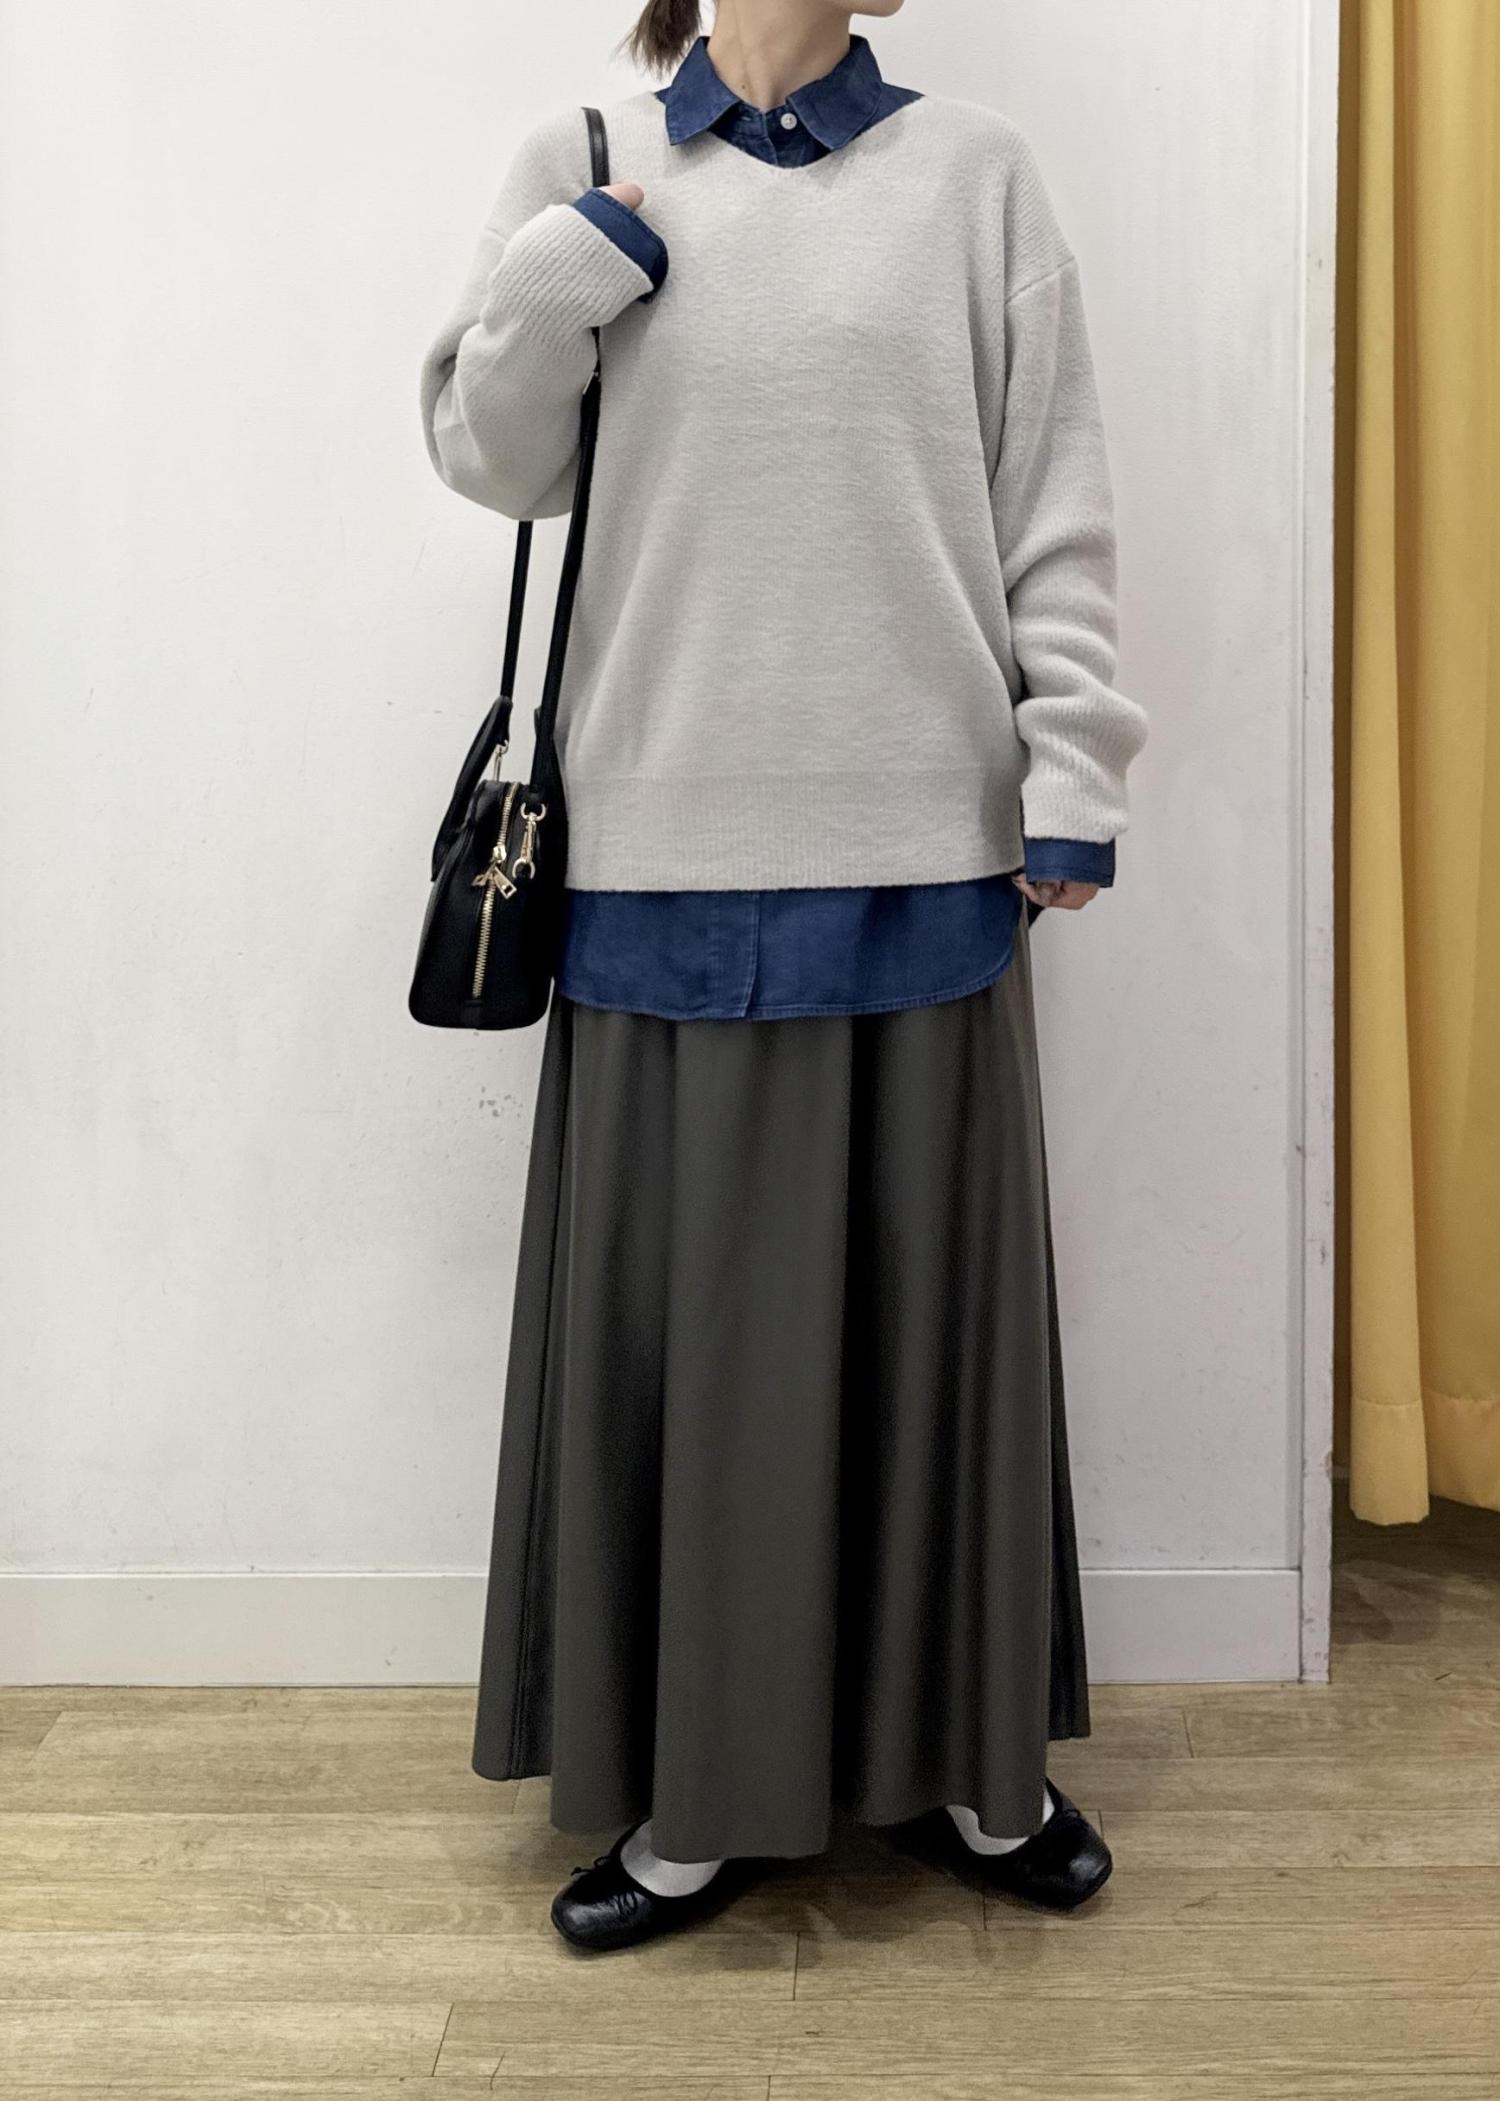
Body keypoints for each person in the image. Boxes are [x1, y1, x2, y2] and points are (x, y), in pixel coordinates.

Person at [418, 0, 1148, 1953]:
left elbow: (1056, 503)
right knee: (706, 1366)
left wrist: (1076, 766)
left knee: (935, 1353)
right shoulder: (584, 157)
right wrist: (570, 272)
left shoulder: (978, 177)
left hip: (931, 852)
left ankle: (975, 1773)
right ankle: (696, 1796)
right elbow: (491, 460)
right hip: (658, 852)